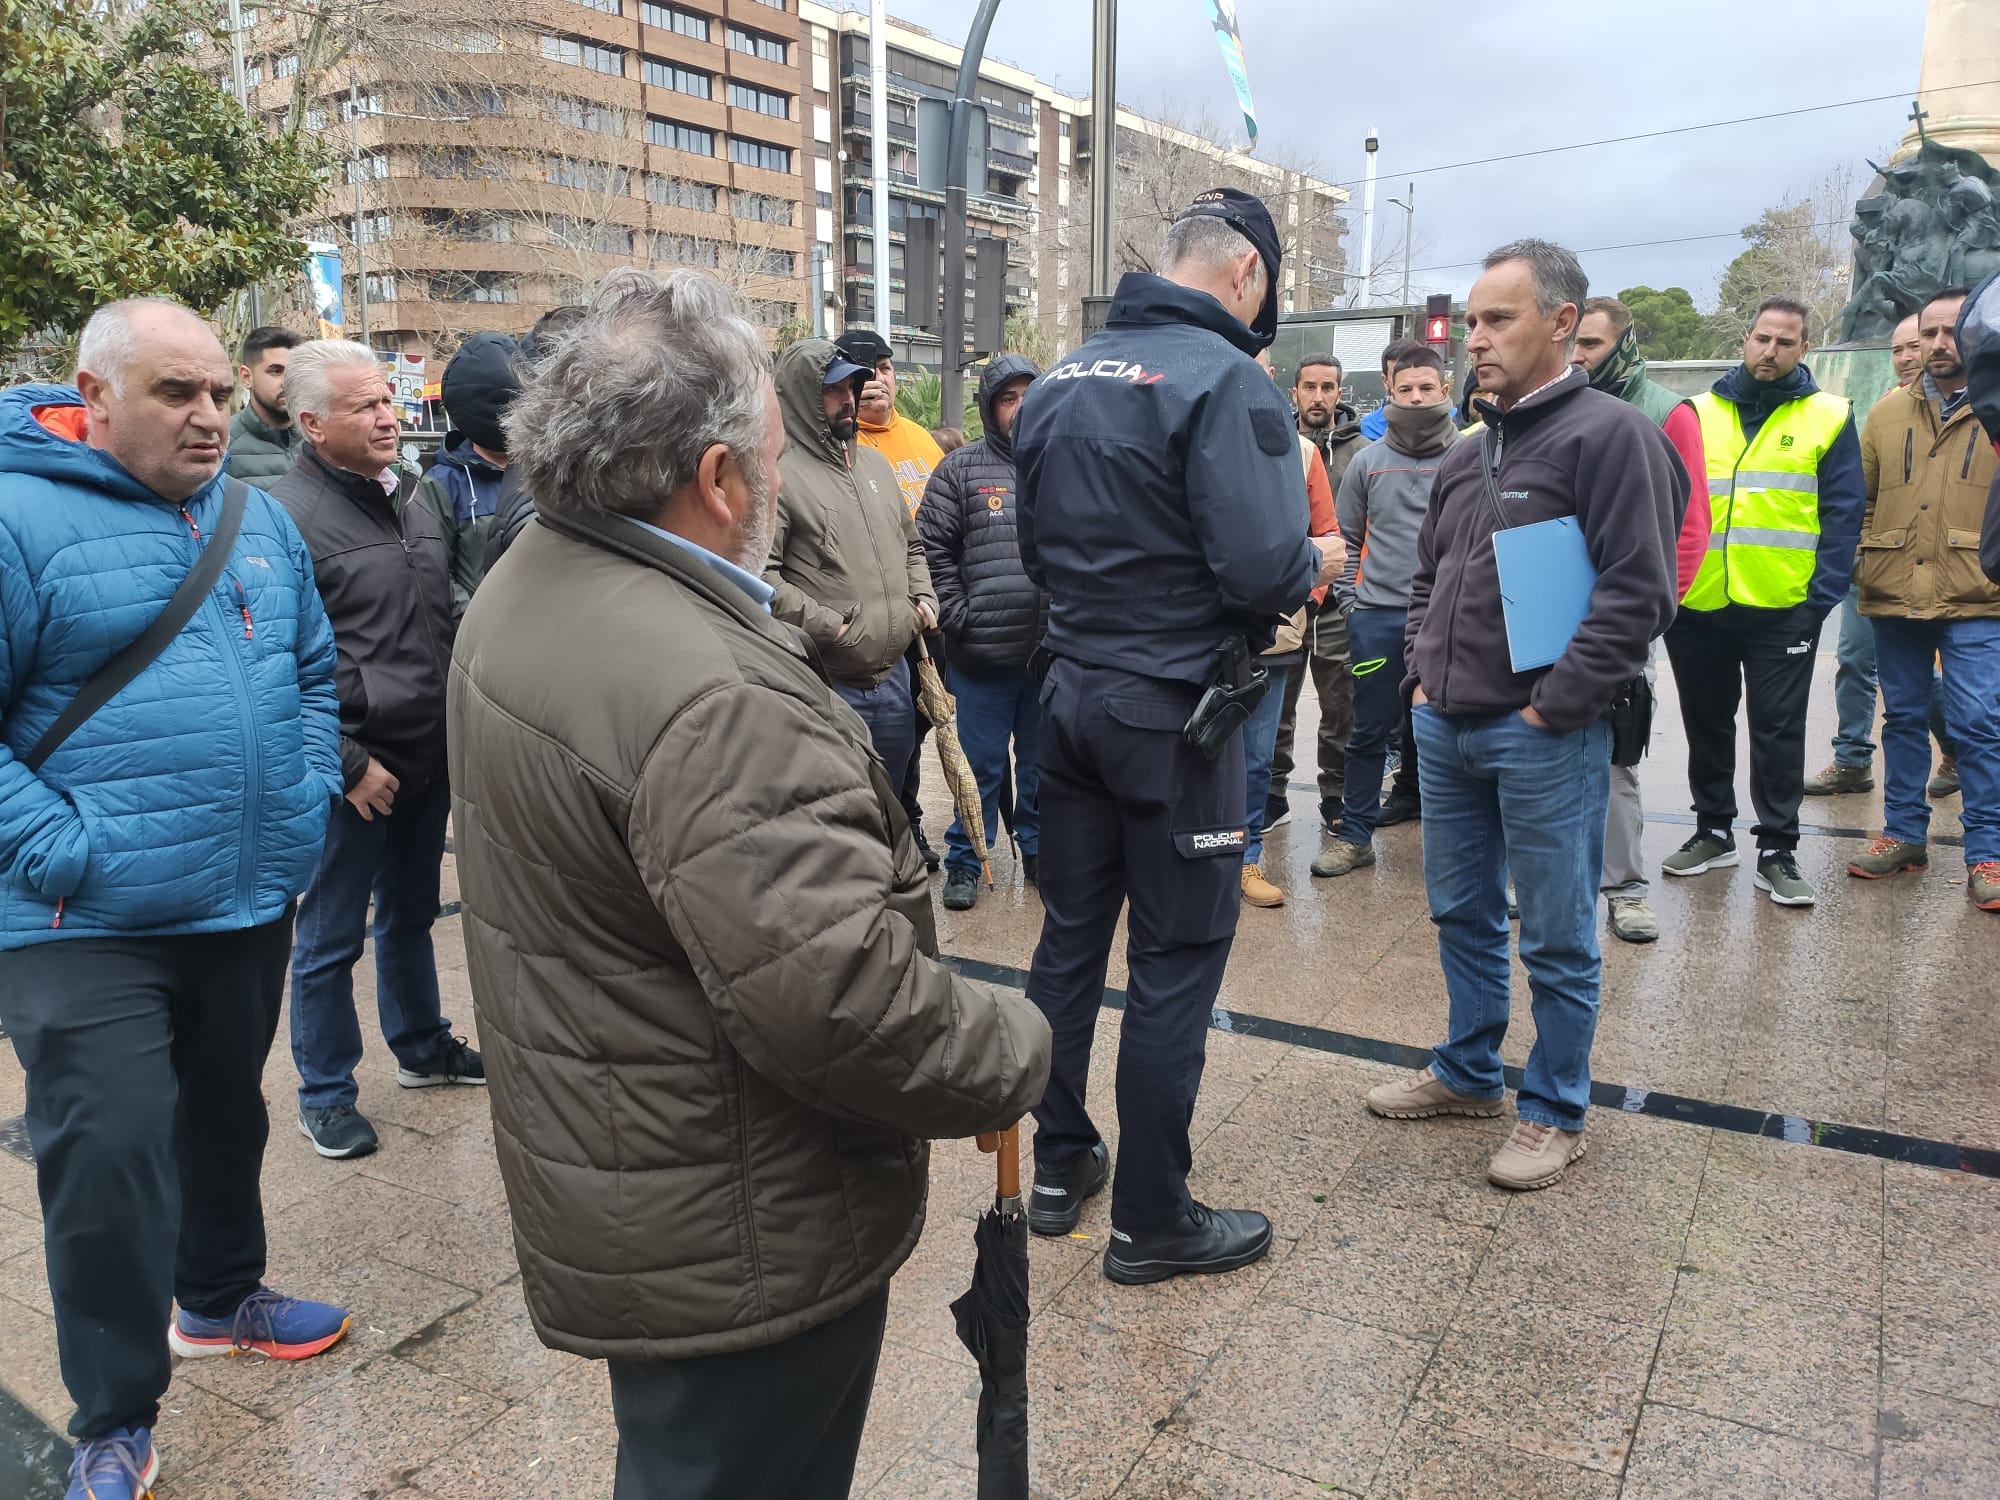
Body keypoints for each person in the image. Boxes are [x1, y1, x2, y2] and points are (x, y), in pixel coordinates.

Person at [448, 268, 1050, 1500]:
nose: (781, 479)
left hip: (636, 1171)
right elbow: (838, 999)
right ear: (718, 483)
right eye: (769, 456)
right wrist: (1010, 1047)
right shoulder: (706, 690)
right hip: (738, 1212)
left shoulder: (533, 575)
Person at [0, 301, 351, 1500]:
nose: (207, 415)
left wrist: (306, 794)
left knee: (223, 1116)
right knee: (103, 1151)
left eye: (215, 392)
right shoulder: (14, 515)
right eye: (174, 394)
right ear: (91, 396)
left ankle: (217, 1298)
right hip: (79, 915)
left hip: (242, 889)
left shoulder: (254, 516)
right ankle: (113, 1412)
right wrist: (61, 846)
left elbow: (312, 669)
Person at [1015, 187, 1341, 1281]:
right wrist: (1313, 568)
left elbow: (1032, 548)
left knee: (1068, 941)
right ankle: (1152, 1218)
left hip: (1064, 700)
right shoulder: (1224, 382)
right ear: (1245, 275)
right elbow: (1261, 571)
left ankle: (1058, 1166)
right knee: (1172, 962)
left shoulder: (1060, 375)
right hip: (1171, 719)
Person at [1364, 240, 1683, 1191]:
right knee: (1461, 911)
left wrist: (1555, 707)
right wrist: (1420, 672)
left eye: (1498, 319)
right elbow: (1428, 577)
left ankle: (1553, 1108)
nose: (1476, 340)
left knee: (1554, 933)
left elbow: (1639, 593)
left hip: (1542, 735)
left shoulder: (1610, 436)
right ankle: (1468, 1073)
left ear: (1559, 323)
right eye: (1470, 322)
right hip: (1447, 727)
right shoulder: (1473, 450)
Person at [269, 340, 483, 1163]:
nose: (388, 416)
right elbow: (273, 668)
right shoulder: (284, 519)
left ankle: (422, 1047)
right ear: (314, 423)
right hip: (350, 773)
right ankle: (324, 1093)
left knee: (410, 917)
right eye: (365, 406)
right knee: (327, 940)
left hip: (427, 758)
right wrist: (348, 762)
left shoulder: (414, 500)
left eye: (388, 400)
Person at [1662, 298, 1866, 907]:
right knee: (1706, 720)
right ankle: (1713, 830)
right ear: (1745, 340)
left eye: (1785, 342)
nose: (1770, 351)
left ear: (1803, 349)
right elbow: (1671, 501)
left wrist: (1818, 600)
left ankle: (1778, 848)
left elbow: (1842, 513)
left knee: (1778, 729)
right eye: (1761, 338)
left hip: (1783, 607)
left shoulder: (1829, 415)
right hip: (1701, 603)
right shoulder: (1697, 411)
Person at [1846, 287, 2000, 910]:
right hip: (1894, 592)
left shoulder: (1995, 407)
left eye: (1949, 332)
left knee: (1981, 724)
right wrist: (1863, 558)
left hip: (1978, 593)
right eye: (1928, 333)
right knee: (1903, 719)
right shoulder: (1886, 413)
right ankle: (1903, 834)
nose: (1939, 344)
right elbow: (1862, 498)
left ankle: (1988, 852)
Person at [1570, 296, 1713, 944]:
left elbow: (1689, 528)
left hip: (1621, 617)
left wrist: (1647, 617)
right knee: (1529, 748)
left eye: (1592, 345)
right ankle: (1532, 878)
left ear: (1624, 344)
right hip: (1550, 610)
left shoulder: (1666, 411)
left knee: (1613, 756)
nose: (1578, 356)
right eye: (1573, 343)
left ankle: (1624, 889)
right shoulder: (1551, 406)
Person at [1311, 344, 1460, 880]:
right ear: (1389, 393)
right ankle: (1355, 836)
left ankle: (1456, 846)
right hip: (1377, 618)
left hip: (1451, 622)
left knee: (1451, 731)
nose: (1416, 398)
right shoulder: (1369, 463)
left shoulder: (1468, 455)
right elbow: (1343, 540)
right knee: (1368, 730)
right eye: (1405, 389)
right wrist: (1352, 605)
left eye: (1426, 388)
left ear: (1445, 390)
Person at [765, 338, 937, 796]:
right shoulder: (778, 476)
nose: (847, 400)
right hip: (829, 685)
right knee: (841, 815)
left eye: (852, 387)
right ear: (802, 396)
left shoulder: (877, 467)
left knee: (893, 809)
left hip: (896, 679)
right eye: (832, 390)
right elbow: (760, 579)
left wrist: (921, 602)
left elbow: (912, 547)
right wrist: (833, 628)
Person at [1806, 312, 1958, 799]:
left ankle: (1956, 749)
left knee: (1916, 679)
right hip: (1874, 561)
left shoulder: (1966, 407)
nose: (1907, 357)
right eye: (1898, 350)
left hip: (1937, 570)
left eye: (1915, 345)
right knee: (1853, 660)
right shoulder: (1883, 410)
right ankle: (1852, 758)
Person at [917, 355, 1045, 913]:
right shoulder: (961, 470)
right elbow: (930, 549)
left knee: (1043, 769)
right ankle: (968, 861)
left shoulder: (1062, 463)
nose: (1019, 407)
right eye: (1008, 397)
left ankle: (1040, 852)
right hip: (982, 657)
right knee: (980, 768)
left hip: (1048, 659)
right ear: (991, 407)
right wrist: (959, 614)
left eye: (1028, 395)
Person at [835, 329, 948, 869]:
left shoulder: (921, 440)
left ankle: (908, 821)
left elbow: (920, 539)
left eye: (884, 366)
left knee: (913, 730)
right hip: (859, 632)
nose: (879, 379)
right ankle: (881, 833)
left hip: (921, 620)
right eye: (864, 371)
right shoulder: (841, 446)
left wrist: (929, 598)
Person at [1239, 349, 1340, 908]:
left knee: (1257, 756)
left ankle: (1247, 857)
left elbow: (1328, 539)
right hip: (1198, 632)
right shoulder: (1192, 439)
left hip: (1274, 636)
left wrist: (1304, 599)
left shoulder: (1301, 454)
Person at [1271, 353, 1363, 833]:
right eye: (1310, 386)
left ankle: (1334, 793)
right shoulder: (1274, 442)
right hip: (1289, 593)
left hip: (1339, 599)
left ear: (1339, 394)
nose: (1319, 396)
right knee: (1278, 703)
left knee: (1338, 703)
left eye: (1328, 387)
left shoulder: (1361, 450)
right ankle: (1272, 793)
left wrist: (1341, 590)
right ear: (1296, 392)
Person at [413, 331, 519, 614]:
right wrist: (474, 620)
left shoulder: (545, 472)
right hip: (483, 635)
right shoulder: (441, 485)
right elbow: (435, 574)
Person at [226, 325, 302, 482]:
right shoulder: (222, 445)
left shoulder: (323, 440)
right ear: (247, 377)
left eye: (294, 372)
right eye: (276, 371)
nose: (287, 382)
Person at [1359, 338, 1427, 440]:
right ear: (1385, 381)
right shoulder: (1367, 429)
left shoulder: (1452, 419)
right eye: (1397, 374)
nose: (1407, 379)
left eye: (1415, 371)